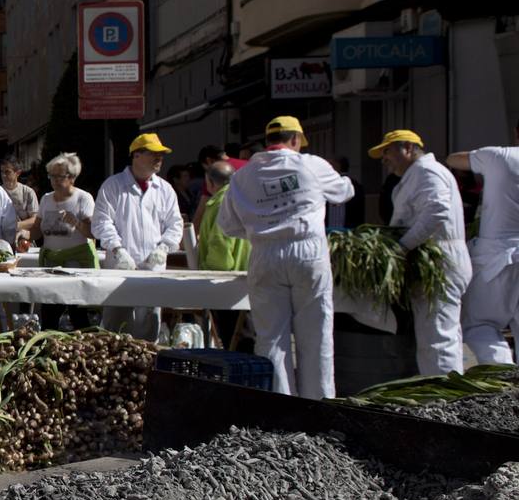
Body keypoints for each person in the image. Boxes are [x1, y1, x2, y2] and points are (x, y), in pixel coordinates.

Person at [220, 117, 354, 398]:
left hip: (264, 254)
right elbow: (344, 192)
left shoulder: (242, 176)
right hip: (308, 251)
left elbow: (228, 225)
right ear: (295, 140)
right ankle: (319, 405)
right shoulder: (310, 165)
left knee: (270, 339)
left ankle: (279, 408)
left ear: (268, 142)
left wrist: (262, 229)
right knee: (316, 335)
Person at [371, 129, 472, 375]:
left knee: (437, 338)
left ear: (407, 148)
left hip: (440, 262)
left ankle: (443, 400)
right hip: (437, 260)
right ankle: (447, 392)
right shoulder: (416, 175)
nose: (384, 158)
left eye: (388, 151)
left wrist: (401, 247)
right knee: (440, 334)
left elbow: (437, 211)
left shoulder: (427, 172)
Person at [92, 133, 183, 340]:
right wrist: (117, 249)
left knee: (149, 329)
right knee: (115, 331)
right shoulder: (113, 186)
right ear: (136, 155)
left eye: (161, 154)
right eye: (153, 153)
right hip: (119, 270)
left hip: (153, 270)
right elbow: (101, 222)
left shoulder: (165, 189)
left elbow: (175, 224)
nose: (159, 158)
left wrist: (164, 247)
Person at [448, 129, 519, 364]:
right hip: (503, 256)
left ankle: (503, 377)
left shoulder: (498, 156)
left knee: (481, 324)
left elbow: (453, 159)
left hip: (497, 259)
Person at [36, 153, 97, 331]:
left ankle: (84, 351)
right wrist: (23, 234)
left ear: (72, 177)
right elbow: (37, 228)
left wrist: (76, 222)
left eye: (59, 176)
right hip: (51, 265)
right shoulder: (46, 199)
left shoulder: (83, 198)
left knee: (78, 315)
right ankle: (48, 350)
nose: (54, 180)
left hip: (76, 265)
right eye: (51, 176)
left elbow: (92, 232)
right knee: (48, 314)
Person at [193, 161, 250, 350]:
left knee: (233, 342)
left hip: (226, 285)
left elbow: (221, 249)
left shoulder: (220, 203)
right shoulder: (244, 199)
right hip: (247, 281)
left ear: (209, 182)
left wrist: (206, 276)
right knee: (246, 341)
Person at [0, 156, 40, 233]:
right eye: (1, 172)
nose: (3, 175)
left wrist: (15, 226)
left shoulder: (27, 192)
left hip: (24, 239)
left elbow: (35, 219)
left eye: (7, 172)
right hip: (1, 240)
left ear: (18, 173)